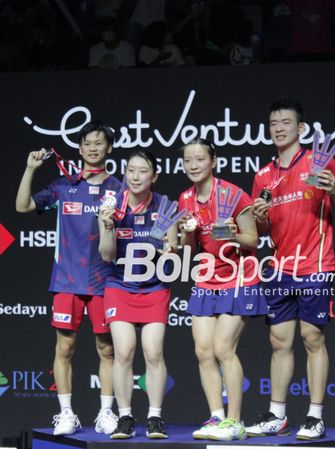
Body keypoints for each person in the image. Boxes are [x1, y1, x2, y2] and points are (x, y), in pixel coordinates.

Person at [247, 99, 335, 440]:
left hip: (315, 264)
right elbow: (262, 231)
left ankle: (315, 415)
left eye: (285, 122)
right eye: (273, 123)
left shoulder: (319, 161)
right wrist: (261, 219)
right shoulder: (263, 175)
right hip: (279, 268)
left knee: (312, 338)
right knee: (279, 342)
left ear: (301, 129)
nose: (278, 128)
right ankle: (277, 414)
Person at [15, 121, 123, 436]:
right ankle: (65, 414)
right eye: (87, 143)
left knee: (107, 350)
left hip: (105, 281)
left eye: (99, 143)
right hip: (67, 281)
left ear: (108, 148)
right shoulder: (63, 186)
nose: (92, 147)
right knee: (64, 348)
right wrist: (30, 169)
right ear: (79, 148)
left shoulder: (118, 189)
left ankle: (106, 413)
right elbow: (22, 206)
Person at [177, 138, 268, 441]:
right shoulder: (185, 199)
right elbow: (190, 249)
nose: (193, 165)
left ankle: (235, 421)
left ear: (213, 161)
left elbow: (253, 240)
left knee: (223, 348)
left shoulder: (233, 194)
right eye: (188, 160)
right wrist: (186, 233)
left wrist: (232, 234)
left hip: (240, 277)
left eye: (200, 159)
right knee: (203, 351)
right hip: (206, 279)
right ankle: (216, 417)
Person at [97, 150, 178, 440]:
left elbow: (174, 252)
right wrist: (108, 226)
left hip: (155, 288)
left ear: (154, 176)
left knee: (154, 352)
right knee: (123, 351)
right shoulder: (111, 206)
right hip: (119, 286)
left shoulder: (167, 207)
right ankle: (125, 417)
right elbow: (107, 255)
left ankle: (155, 417)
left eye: (142, 171)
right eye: (130, 170)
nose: (135, 176)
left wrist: (170, 250)